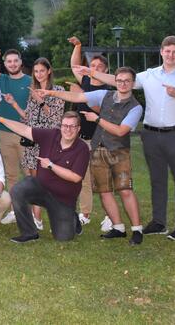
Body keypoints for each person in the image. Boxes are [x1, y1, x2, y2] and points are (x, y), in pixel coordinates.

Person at [75, 35, 175, 241]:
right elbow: (119, 80)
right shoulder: (150, 75)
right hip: (151, 134)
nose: (171, 55)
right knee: (157, 180)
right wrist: (91, 72)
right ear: (161, 52)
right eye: (167, 51)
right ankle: (158, 222)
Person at [37, 67, 144, 245]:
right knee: (104, 192)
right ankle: (118, 228)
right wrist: (50, 92)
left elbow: (120, 131)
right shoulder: (105, 95)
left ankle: (137, 229)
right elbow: (77, 97)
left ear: (132, 83)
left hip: (119, 152)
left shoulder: (136, 107)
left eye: (127, 81)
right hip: (97, 150)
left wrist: (96, 119)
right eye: (119, 80)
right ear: (115, 81)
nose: (123, 84)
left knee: (125, 191)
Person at [0, 111, 90, 243]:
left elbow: (76, 177)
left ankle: (73, 218)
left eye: (72, 126)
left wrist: (51, 165)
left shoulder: (82, 148)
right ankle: (29, 233)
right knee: (18, 190)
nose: (68, 129)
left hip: (63, 200)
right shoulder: (51, 135)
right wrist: (2, 119)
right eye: (65, 126)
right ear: (61, 126)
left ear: (78, 129)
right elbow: (24, 130)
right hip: (41, 188)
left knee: (63, 237)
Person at [68, 36, 112, 227]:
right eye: (92, 65)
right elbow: (74, 66)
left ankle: (110, 216)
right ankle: (85, 213)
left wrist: (82, 97)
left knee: (103, 180)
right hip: (82, 139)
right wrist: (78, 46)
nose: (94, 69)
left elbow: (107, 115)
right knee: (84, 178)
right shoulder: (85, 80)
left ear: (106, 71)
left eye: (99, 67)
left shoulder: (109, 88)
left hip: (101, 140)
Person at [21, 57, 65, 230]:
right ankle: (36, 218)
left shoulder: (58, 90)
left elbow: (55, 117)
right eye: (36, 71)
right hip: (32, 139)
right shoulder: (33, 91)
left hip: (49, 140)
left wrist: (40, 100)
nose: (38, 74)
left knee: (48, 181)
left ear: (49, 71)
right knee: (34, 179)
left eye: (41, 70)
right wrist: (15, 105)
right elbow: (28, 116)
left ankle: (62, 214)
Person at [0, 48, 31, 226]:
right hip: (5, 134)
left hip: (25, 133)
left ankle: (32, 212)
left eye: (15, 61)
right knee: (11, 175)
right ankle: (16, 210)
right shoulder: (0, 80)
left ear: (21, 62)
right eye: (9, 61)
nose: (13, 64)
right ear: (4, 64)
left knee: (30, 173)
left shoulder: (31, 82)